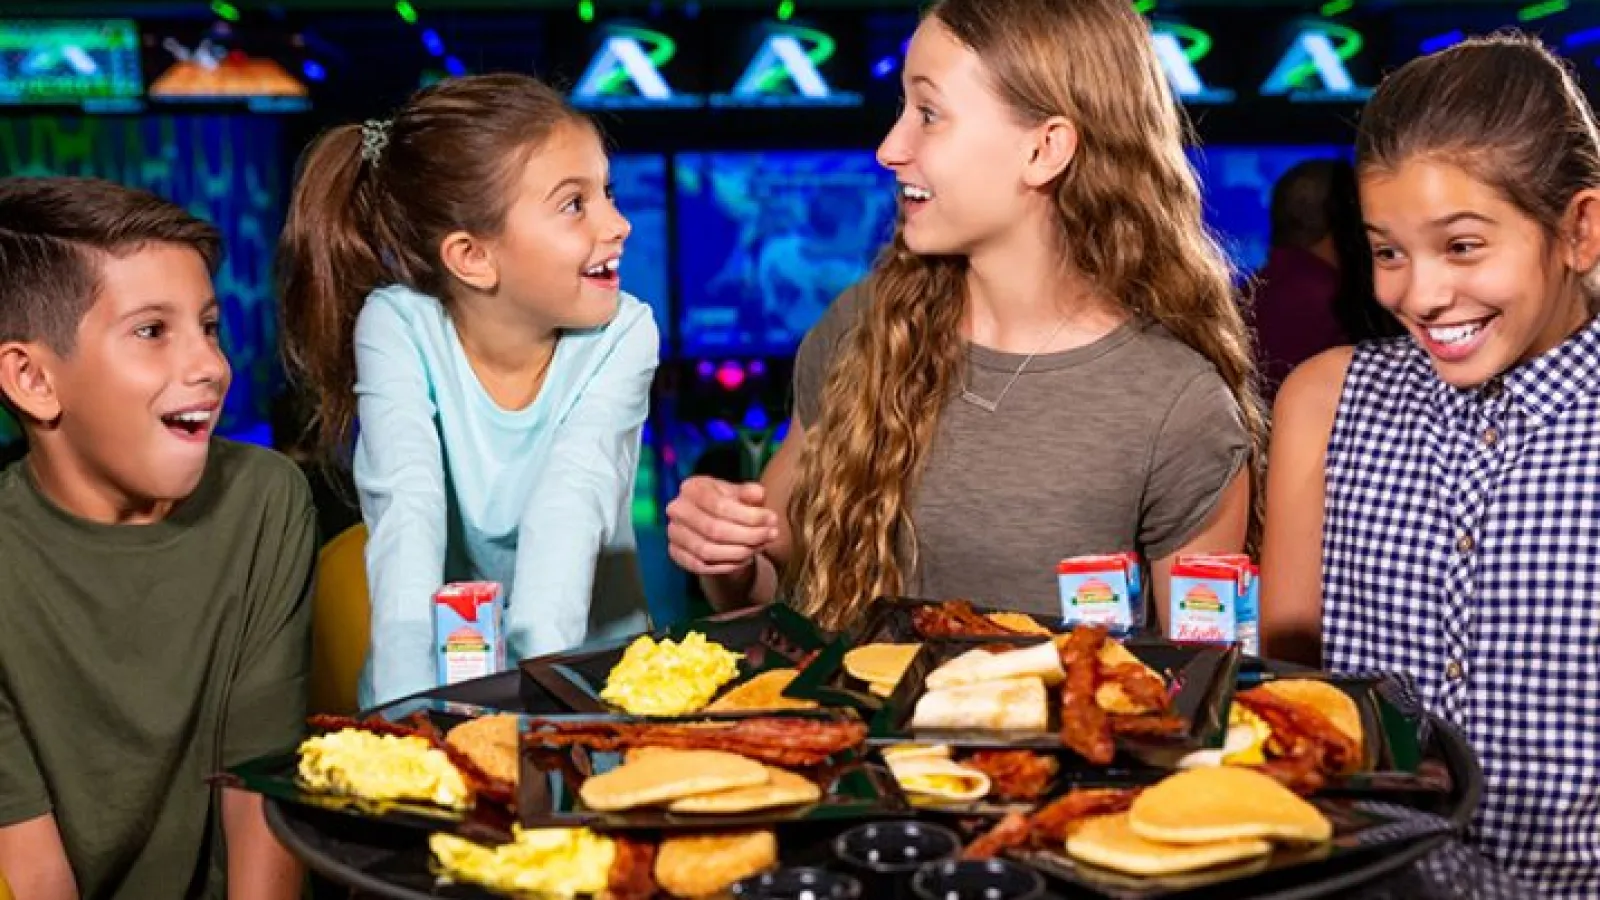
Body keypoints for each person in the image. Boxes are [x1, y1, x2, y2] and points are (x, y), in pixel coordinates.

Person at [667, 0, 1262, 633]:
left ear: (1045, 149)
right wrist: (724, 553)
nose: (889, 148)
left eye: (928, 114)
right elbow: (769, 598)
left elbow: (1204, 688)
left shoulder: (1179, 405)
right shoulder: (862, 326)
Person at [1261, 34, 1600, 896]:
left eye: (1462, 246)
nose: (1417, 295)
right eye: (1387, 252)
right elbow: (1287, 696)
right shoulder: (1324, 402)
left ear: (1580, 229)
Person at [279, 73, 659, 707]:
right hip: (434, 683)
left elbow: (570, 502)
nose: (618, 223)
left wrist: (540, 707)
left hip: (590, 683)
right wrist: (409, 724)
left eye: (608, 193)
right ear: (472, 257)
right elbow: (407, 509)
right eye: (575, 203)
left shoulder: (627, 331)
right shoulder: (397, 325)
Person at [0, 177, 310, 898]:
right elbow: (33, 870)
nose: (209, 366)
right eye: (151, 331)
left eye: (208, 326)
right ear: (32, 379)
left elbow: (262, 795)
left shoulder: (264, 503)